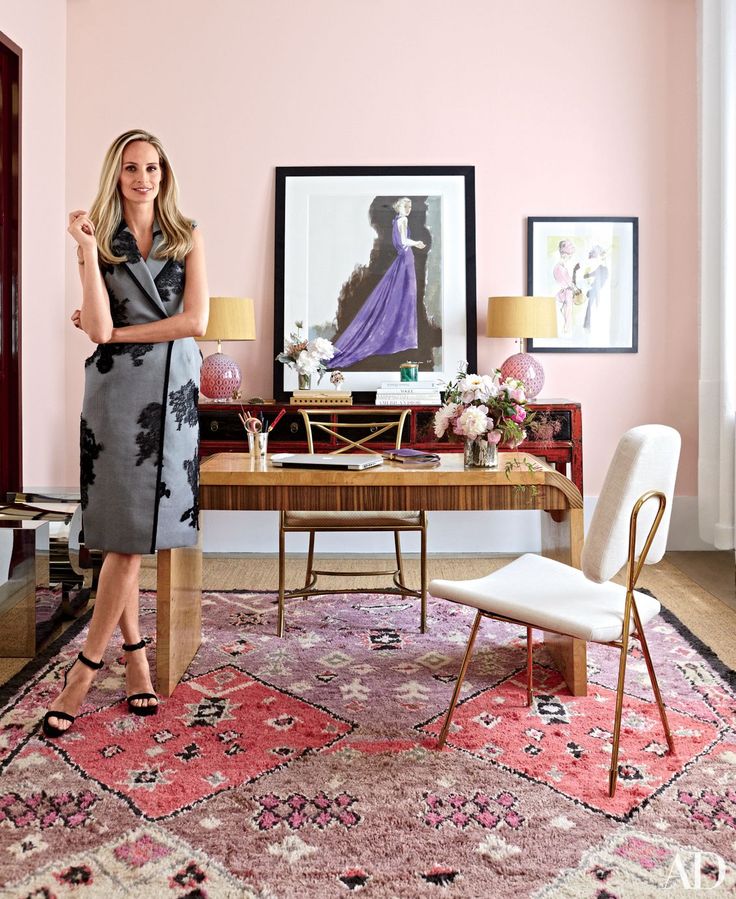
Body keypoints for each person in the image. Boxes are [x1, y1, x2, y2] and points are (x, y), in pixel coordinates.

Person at [43, 129, 209, 737]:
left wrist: (118, 331)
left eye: (154, 168)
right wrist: (86, 253)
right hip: (115, 396)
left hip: (172, 394)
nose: (144, 178)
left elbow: (197, 320)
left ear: (165, 174)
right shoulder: (99, 241)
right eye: (133, 168)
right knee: (123, 533)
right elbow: (95, 330)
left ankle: (102, 667)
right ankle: (112, 666)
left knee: (137, 536)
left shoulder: (187, 234)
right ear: (117, 174)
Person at [329, 197, 426, 370]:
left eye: (410, 206)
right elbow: (403, 242)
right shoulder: (402, 220)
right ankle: (402, 338)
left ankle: (402, 337)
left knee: (400, 296)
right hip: (405, 258)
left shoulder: (397, 220)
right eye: (406, 205)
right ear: (399, 207)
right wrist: (416, 243)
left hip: (403, 259)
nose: (409, 208)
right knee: (405, 297)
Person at [552, 238, 577, 335]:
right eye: (569, 255)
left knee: (566, 311)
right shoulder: (560, 268)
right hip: (567, 292)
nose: (570, 257)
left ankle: (566, 329)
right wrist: (573, 287)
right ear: (564, 254)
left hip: (566, 291)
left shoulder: (560, 267)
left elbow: (568, 281)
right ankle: (566, 330)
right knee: (568, 311)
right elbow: (568, 282)